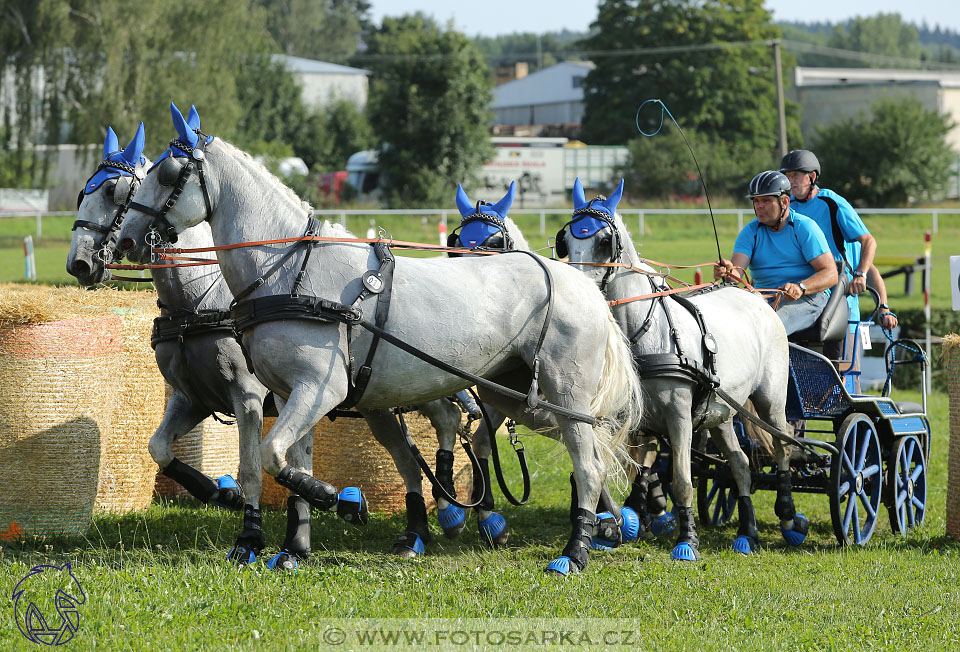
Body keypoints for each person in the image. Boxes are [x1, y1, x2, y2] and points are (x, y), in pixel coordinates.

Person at [779, 149, 898, 340]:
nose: (790, 181)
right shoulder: (786, 206)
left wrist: (863, 279)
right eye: (786, 176)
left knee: (844, 367)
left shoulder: (832, 203)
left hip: (840, 302)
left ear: (812, 177)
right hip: (802, 300)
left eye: (795, 175)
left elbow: (868, 242)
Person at [714, 170, 837, 335]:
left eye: (766, 200)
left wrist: (801, 287)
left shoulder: (804, 227)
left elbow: (831, 274)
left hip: (807, 297)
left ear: (785, 201)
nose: (759, 206)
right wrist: (727, 271)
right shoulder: (751, 231)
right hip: (762, 298)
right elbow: (736, 273)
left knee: (769, 327)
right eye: (756, 201)